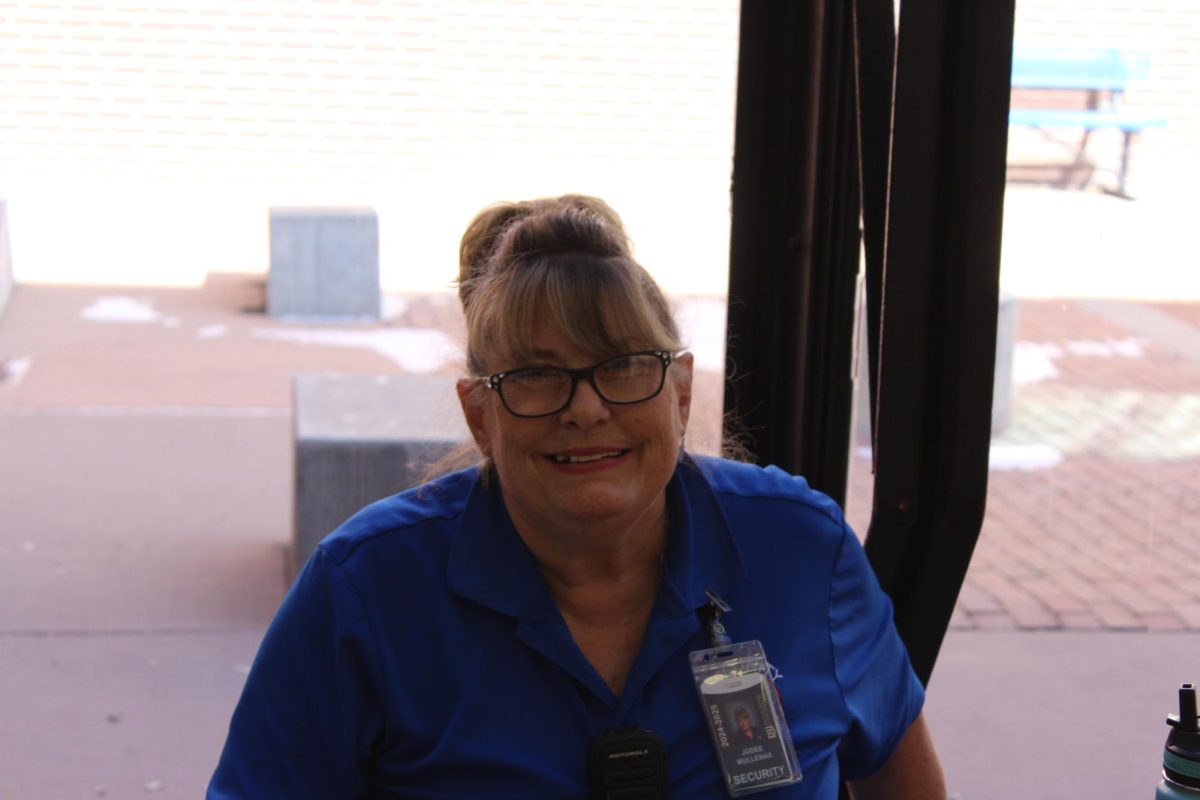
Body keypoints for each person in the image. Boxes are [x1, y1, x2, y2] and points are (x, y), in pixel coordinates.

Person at [207, 194, 946, 799]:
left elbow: (899, 780)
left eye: (623, 366)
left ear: (681, 394)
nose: (586, 408)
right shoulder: (366, 588)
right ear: (479, 416)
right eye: (535, 375)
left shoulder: (802, 548)